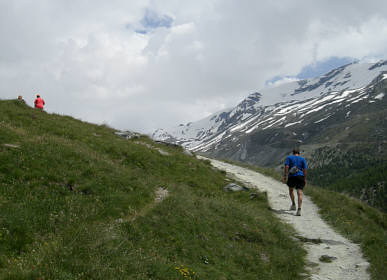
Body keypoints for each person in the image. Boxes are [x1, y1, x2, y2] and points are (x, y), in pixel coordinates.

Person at [283, 148, 308, 216]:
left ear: (293, 152)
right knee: (299, 192)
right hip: (300, 176)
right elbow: (305, 169)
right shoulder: (302, 159)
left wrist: (285, 175)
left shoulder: (289, 157)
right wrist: (305, 179)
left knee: (291, 190)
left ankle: (293, 204)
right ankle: (299, 209)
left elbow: (287, 166)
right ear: (299, 153)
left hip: (292, 176)